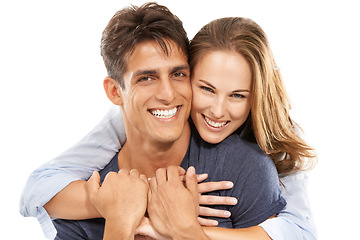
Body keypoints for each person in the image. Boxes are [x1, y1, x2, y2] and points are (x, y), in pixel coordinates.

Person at [19, 3, 317, 240]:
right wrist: (121, 220)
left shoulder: (247, 166)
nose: (167, 94)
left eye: (177, 74)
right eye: (146, 78)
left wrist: (183, 229)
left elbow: (301, 232)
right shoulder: (87, 198)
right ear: (114, 92)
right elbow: (36, 189)